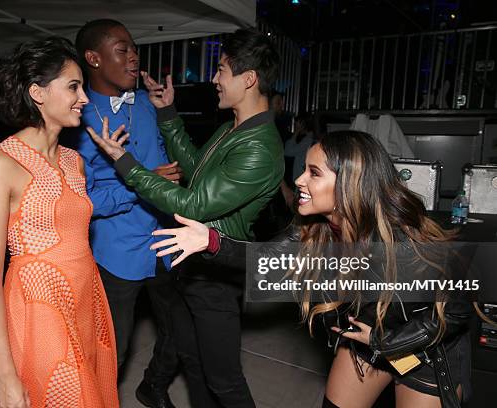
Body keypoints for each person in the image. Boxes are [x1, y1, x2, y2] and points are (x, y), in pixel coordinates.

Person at [149, 130, 474, 408]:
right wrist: (211, 240)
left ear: (350, 183)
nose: (299, 180)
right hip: (364, 336)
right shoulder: (314, 227)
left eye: (314, 173)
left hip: (425, 353)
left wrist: (385, 341)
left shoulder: (402, 243)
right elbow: (267, 261)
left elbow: (456, 312)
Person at [89, 28, 283, 408]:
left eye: (222, 70)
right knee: (194, 366)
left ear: (248, 79)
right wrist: (167, 113)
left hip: (215, 275)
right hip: (190, 265)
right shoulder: (234, 129)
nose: (214, 79)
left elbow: (194, 204)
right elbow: (193, 168)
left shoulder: (259, 148)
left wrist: (126, 162)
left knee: (225, 381)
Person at [74, 19, 215, 408]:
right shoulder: (77, 118)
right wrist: (140, 181)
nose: (134, 56)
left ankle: (152, 386)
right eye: (123, 49)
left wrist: (172, 169)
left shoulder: (146, 105)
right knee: (112, 351)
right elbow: (82, 200)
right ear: (94, 58)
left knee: (182, 334)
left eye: (135, 48)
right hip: (117, 251)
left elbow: (165, 159)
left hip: (166, 241)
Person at [0, 37, 118, 408]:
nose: (85, 98)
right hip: (38, 310)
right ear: (37, 92)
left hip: (87, 299)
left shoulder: (75, 161)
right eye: (74, 86)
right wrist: (4, 376)